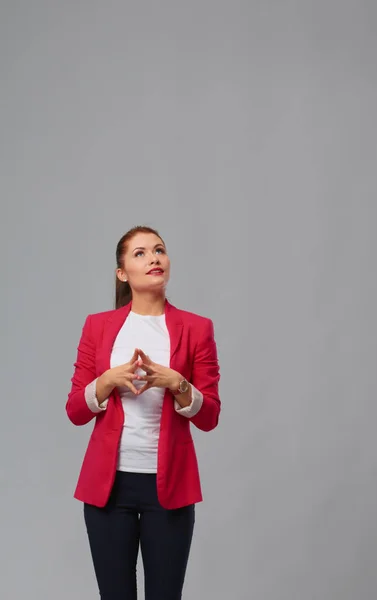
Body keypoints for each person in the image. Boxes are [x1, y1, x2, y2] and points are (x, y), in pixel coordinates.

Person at [66, 225, 221, 600]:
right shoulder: (98, 326)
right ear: (122, 273)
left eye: (159, 250)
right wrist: (106, 381)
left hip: (169, 485)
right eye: (140, 253)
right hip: (108, 488)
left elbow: (210, 416)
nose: (154, 258)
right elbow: (75, 410)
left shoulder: (197, 329)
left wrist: (177, 382)